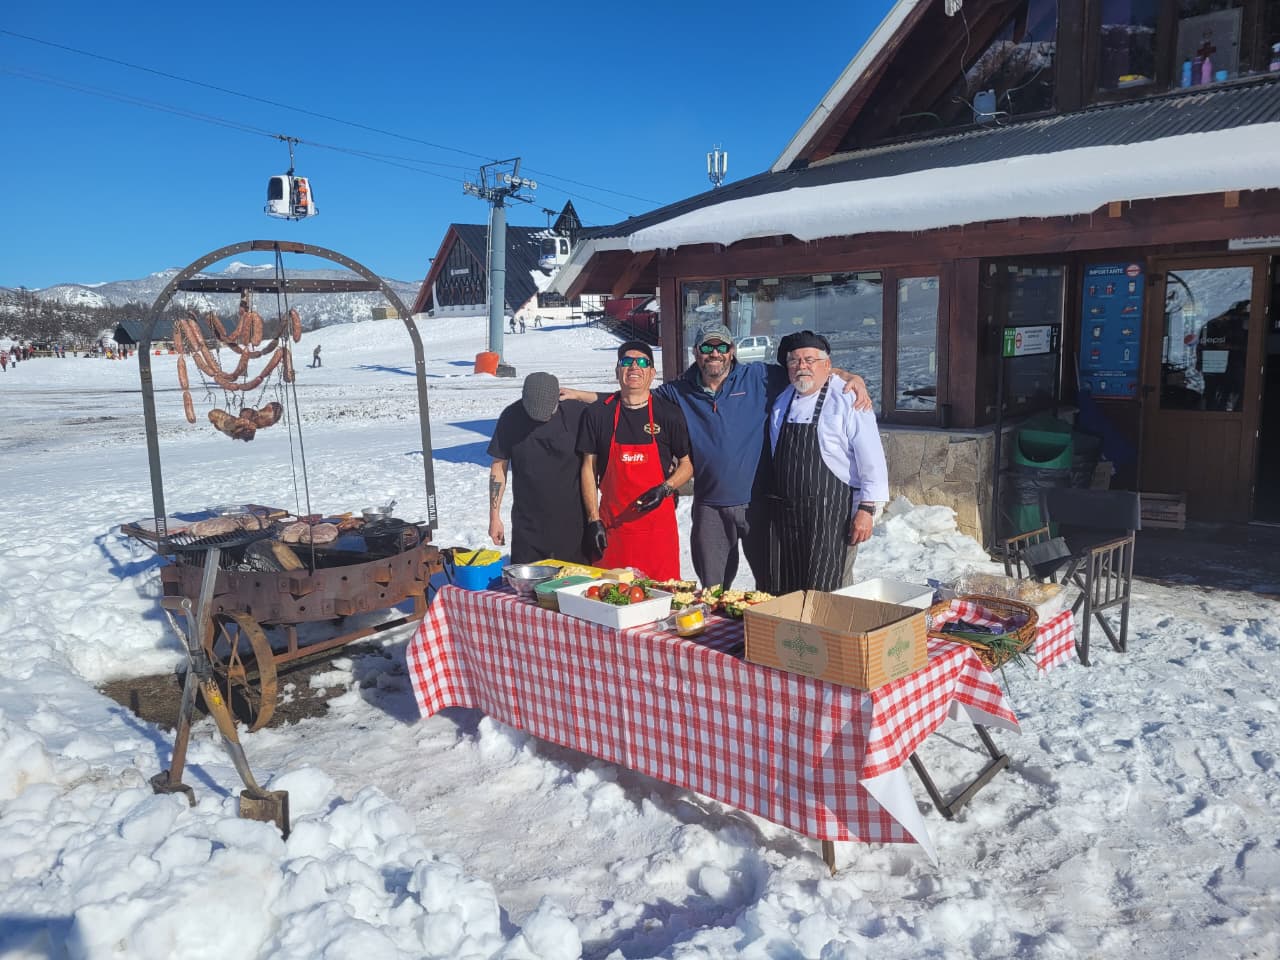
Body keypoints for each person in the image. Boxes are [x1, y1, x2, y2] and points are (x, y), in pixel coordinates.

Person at [561, 323, 870, 591]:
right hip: (709, 506)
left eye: (721, 346)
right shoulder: (679, 391)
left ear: (731, 350)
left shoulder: (759, 378)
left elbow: (806, 370)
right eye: (707, 346)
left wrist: (848, 375)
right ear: (697, 353)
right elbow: (632, 397)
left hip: (756, 505)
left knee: (771, 584)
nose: (715, 352)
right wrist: (579, 395)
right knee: (713, 589)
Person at [768, 331, 888, 593]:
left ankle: (836, 636)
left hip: (833, 514)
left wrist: (867, 510)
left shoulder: (848, 398)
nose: (802, 367)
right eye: (795, 361)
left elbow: (872, 459)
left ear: (827, 365)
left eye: (810, 360)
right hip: (788, 515)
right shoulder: (782, 400)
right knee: (790, 588)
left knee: (832, 592)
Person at [577, 341, 693, 580]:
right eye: (626, 362)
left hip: (657, 533)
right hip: (613, 530)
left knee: (661, 599)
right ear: (617, 371)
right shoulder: (598, 414)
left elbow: (687, 463)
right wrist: (593, 521)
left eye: (642, 362)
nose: (634, 367)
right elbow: (588, 468)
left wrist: (665, 488)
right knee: (608, 598)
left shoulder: (668, 414)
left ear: (652, 373)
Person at [488, 372, 590, 564]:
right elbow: (498, 467)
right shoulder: (511, 417)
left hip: (573, 523)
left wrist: (580, 394)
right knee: (527, 590)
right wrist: (494, 517)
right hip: (528, 525)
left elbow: (617, 401)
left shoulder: (577, 413)